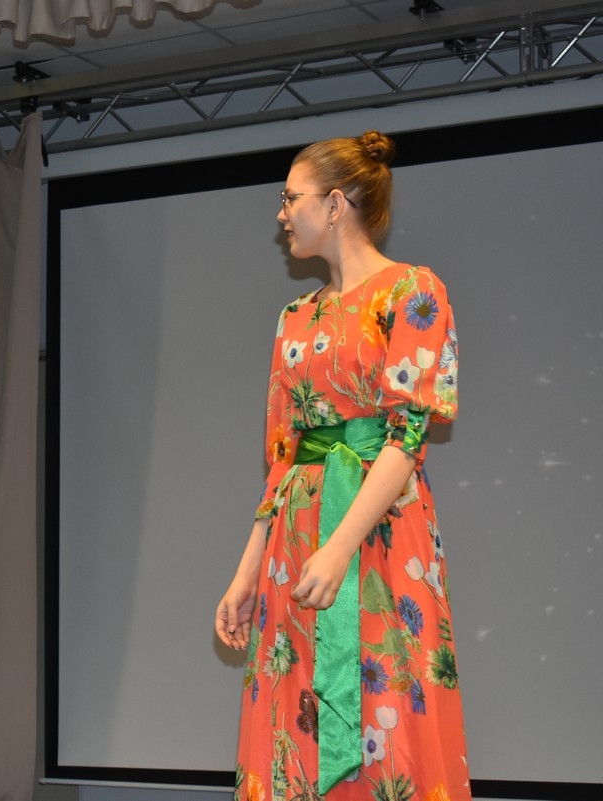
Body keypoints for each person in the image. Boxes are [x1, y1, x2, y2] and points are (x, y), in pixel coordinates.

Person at [214, 132, 470, 800]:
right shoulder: (295, 318)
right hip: (296, 544)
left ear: (334, 205)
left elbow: (405, 438)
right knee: (292, 707)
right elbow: (283, 460)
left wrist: (338, 549)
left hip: (377, 536)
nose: (281, 213)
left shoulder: (413, 291)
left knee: (386, 697)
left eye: (290, 197)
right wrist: (247, 572)